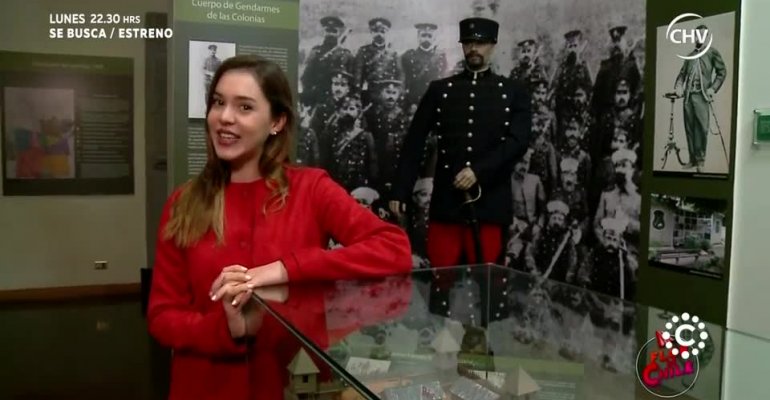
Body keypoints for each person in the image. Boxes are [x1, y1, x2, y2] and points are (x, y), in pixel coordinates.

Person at [147, 55, 412, 400]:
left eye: (244, 107)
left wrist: (285, 270)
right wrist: (228, 328)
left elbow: (393, 249)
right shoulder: (183, 203)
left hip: (291, 385)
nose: (224, 117)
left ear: (276, 121)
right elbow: (162, 316)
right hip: (205, 387)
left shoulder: (311, 189)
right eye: (218, 102)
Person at [390, 17, 531, 267]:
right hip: (447, 202)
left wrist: (478, 171)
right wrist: (400, 190)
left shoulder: (513, 92)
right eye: (468, 43)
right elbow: (414, 142)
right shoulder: (440, 90)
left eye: (480, 43)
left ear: (493, 45)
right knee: (440, 277)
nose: (473, 49)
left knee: (487, 280)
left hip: (490, 201)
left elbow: (517, 142)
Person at [674, 24, 726, 171]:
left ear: (707, 37)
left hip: (702, 96)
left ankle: (700, 161)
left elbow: (722, 72)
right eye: (697, 35)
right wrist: (679, 86)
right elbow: (682, 75)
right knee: (689, 128)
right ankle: (692, 160)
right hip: (688, 98)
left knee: (702, 129)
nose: (699, 38)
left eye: (702, 35)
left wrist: (713, 88)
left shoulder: (712, 53)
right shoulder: (689, 56)